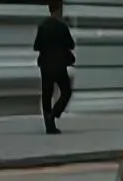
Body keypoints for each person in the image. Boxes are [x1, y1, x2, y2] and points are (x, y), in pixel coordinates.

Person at [33, 0, 75, 134]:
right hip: (59, 65)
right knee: (66, 91)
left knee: (47, 94)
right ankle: (55, 112)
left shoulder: (42, 26)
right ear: (58, 10)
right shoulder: (62, 27)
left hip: (45, 65)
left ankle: (49, 124)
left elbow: (36, 46)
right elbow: (71, 44)